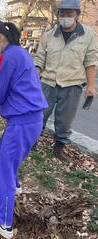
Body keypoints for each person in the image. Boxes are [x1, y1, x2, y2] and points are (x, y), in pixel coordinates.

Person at [0, 19, 48, 238]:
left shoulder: (8, 57)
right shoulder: (18, 53)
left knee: (4, 169)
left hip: (23, 122)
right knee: (1, 152)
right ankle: (16, 186)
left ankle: (4, 223)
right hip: (29, 120)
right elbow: (7, 88)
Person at [35, 0, 98, 160]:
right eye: (62, 14)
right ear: (58, 15)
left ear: (77, 14)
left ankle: (58, 148)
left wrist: (91, 85)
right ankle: (32, 142)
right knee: (38, 115)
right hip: (48, 83)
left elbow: (90, 60)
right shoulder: (49, 35)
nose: (65, 17)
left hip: (72, 84)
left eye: (69, 14)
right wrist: (33, 80)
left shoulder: (88, 35)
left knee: (65, 120)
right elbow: (39, 60)